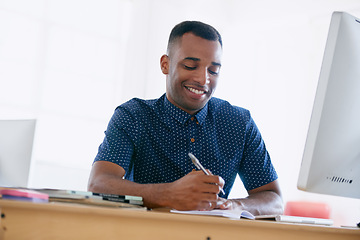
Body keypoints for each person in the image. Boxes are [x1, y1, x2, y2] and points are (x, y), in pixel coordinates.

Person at [88, 21, 283, 215]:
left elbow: (274, 201)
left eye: (213, 70)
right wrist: (169, 194)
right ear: (165, 64)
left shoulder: (239, 123)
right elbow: (98, 184)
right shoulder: (133, 116)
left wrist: (234, 206)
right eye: (191, 66)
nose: (203, 79)